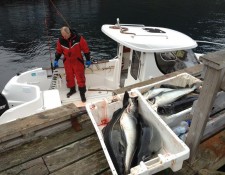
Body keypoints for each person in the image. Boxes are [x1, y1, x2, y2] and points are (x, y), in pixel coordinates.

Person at [54, 26, 91, 102]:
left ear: (69, 33)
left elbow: (85, 49)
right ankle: (72, 90)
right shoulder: (61, 40)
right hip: (67, 61)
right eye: (62, 35)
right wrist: (56, 60)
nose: (64, 37)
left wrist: (88, 59)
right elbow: (59, 51)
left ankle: (82, 93)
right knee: (69, 77)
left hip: (77, 60)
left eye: (65, 35)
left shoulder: (78, 38)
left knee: (80, 77)